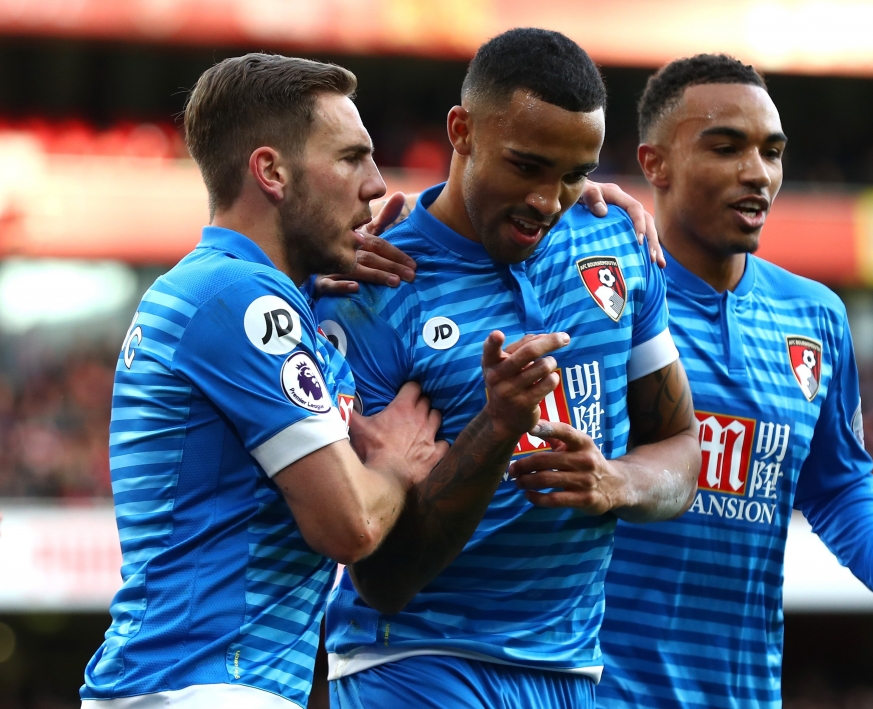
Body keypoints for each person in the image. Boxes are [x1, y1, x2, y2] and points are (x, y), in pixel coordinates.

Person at [314, 28, 702, 709]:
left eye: (574, 173)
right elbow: (383, 575)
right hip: (415, 659)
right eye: (527, 166)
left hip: (571, 668)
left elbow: (681, 450)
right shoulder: (371, 290)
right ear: (461, 131)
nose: (549, 200)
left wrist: (619, 480)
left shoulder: (619, 243)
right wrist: (497, 425)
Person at [596, 54, 873, 709]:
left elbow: (838, 480)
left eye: (772, 152)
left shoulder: (816, 316)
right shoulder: (600, 294)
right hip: (603, 689)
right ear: (654, 162)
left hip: (745, 691)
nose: (758, 172)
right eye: (725, 147)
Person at [79, 54, 450, 708]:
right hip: (201, 688)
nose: (375, 184)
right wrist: (396, 464)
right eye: (350, 158)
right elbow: (351, 525)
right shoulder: (244, 300)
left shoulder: (237, 292)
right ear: (271, 171)